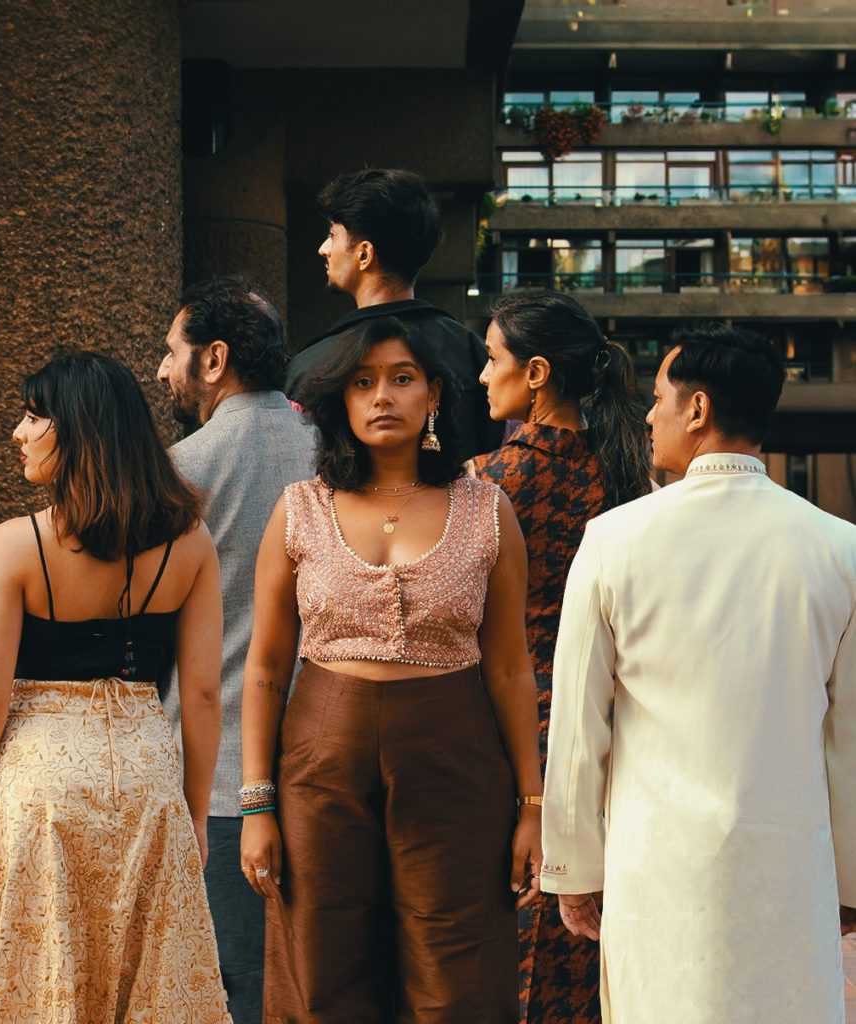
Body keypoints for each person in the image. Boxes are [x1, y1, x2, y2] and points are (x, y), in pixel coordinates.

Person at [541, 322, 856, 1024]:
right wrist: (849, 879)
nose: (648, 415)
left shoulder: (613, 539)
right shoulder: (840, 550)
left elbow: (577, 727)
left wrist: (572, 866)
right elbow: (849, 741)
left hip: (655, 868)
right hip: (788, 870)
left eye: (657, 397)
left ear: (697, 408)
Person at [240, 315, 543, 1023]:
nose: (383, 397)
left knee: (455, 970)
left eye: (402, 379)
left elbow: (507, 668)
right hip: (318, 760)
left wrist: (532, 806)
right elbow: (264, 668)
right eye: (363, 382)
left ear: (433, 393)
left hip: (456, 759)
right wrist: (256, 802)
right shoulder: (299, 510)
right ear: (339, 402)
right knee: (320, 963)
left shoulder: (485, 508)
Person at [0, 351, 230, 1023]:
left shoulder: (16, 547)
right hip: (147, 783)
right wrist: (191, 813)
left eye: (34, 415)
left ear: (80, 430)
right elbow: (205, 693)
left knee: (35, 985)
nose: (18, 430)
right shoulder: (190, 544)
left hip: (36, 790)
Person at [472, 290, 650, 1024]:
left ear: (536, 373)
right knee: (582, 934)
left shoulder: (485, 485)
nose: (483, 376)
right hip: (607, 729)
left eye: (492, 359)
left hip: (501, 727)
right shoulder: (628, 481)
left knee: (504, 933)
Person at [156, 276, 315, 1024]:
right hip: (326, 753)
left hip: (212, 770)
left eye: (172, 350)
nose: (162, 370)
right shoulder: (333, 455)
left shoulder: (179, 469)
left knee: (234, 982)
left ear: (213, 359)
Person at [285, 167, 504, 460]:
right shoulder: (474, 352)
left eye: (332, 235)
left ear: (364, 254)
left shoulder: (315, 364)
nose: (323, 249)